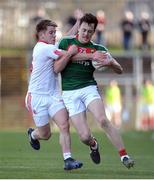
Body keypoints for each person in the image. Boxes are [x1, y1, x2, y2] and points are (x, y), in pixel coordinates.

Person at [54, 13, 134, 169]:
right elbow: (56, 66)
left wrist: (110, 63)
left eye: (90, 31)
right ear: (79, 28)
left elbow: (120, 69)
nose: (86, 34)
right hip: (69, 92)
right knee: (84, 137)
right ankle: (93, 144)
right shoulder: (65, 42)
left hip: (89, 87)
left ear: (94, 32)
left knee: (103, 120)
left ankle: (124, 155)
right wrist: (90, 56)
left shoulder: (99, 49)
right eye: (83, 30)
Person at [25, 19, 83, 170]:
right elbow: (69, 54)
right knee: (45, 134)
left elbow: (66, 40)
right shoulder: (42, 48)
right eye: (51, 33)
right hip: (37, 96)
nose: (54, 35)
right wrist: (89, 55)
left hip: (53, 95)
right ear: (41, 34)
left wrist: (79, 24)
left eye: (55, 33)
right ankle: (33, 135)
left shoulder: (49, 47)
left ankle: (68, 159)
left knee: (64, 125)